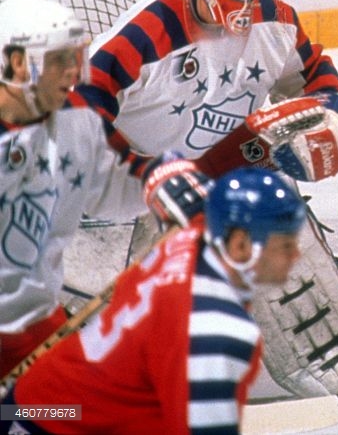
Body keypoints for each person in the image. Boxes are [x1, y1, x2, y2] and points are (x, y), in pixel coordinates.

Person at [78, 0, 338, 402]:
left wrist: (335, 119)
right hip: (128, 190)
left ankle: (327, 345)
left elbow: (319, 79)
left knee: (270, 199)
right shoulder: (148, 33)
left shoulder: (277, 22)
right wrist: (144, 172)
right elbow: (81, 105)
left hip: (222, 169)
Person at [2, 168, 306, 434]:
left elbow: (169, 169)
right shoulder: (214, 328)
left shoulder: (191, 238)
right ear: (240, 245)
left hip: (36, 407)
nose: (296, 255)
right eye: (285, 245)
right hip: (54, 421)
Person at [0, 0, 153, 379]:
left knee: (75, 410)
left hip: (30, 317)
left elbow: (118, 187)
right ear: (18, 64)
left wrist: (177, 183)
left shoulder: (73, 123)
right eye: (58, 61)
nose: (72, 73)